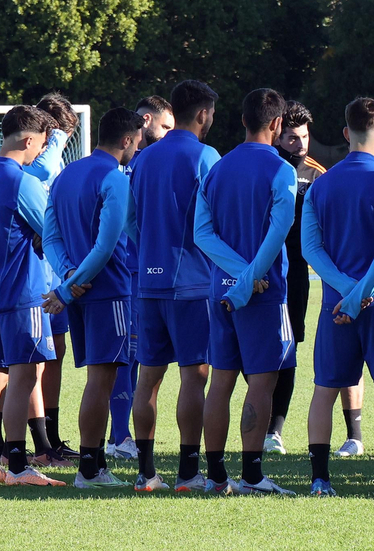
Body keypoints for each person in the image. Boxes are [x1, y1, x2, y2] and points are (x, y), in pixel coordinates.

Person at [302, 97, 374, 498]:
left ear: (345, 133)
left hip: (335, 304)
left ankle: (320, 481)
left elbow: (310, 250)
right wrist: (361, 294)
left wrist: (345, 292)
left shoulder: (321, 183)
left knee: (324, 389)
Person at [192, 89, 300, 495]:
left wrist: (237, 274)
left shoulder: (217, 168)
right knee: (262, 382)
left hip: (218, 288)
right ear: (276, 124)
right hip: (263, 292)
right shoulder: (282, 170)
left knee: (221, 380)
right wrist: (251, 276)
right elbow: (278, 233)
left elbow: (202, 234)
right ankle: (252, 476)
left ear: (242, 120)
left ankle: (217, 477)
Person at [41, 107, 144, 489]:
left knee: (96, 381)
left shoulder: (66, 174)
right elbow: (106, 246)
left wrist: (68, 274)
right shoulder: (114, 179)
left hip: (81, 291)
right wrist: (70, 286)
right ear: (128, 140)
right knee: (102, 382)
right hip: (109, 292)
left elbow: (50, 237)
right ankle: (90, 469)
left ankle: (93, 464)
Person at [129, 79, 222, 491]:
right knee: (193, 376)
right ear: (203, 114)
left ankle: (146, 472)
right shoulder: (206, 156)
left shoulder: (144, 158)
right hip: (193, 284)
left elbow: (130, 220)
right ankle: (188, 472)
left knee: (147, 377)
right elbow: (216, 222)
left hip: (148, 283)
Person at [0, 105, 64, 487]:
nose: (41, 152)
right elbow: (52, 231)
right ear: (28, 140)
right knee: (26, 376)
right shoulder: (20, 180)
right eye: (42, 145)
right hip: (24, 291)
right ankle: (19, 466)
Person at [106, 95, 174, 464]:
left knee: (138, 357)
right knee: (127, 358)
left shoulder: (147, 163)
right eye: (165, 127)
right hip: (127, 273)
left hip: (142, 273)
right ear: (145, 121)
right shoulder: (125, 165)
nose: (167, 135)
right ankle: (119, 436)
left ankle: (122, 434)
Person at [267, 101, 327, 454]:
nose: (300, 144)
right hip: (256, 272)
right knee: (254, 350)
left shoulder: (317, 174)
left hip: (296, 278)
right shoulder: (265, 167)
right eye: (292, 137)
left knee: (288, 349)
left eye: (304, 136)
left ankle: (275, 429)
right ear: (277, 134)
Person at [26, 92, 80, 464]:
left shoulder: (55, 164)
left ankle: (51, 438)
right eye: (58, 133)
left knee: (55, 354)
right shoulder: (29, 166)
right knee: (27, 358)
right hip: (31, 275)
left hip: (55, 269)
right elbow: (43, 172)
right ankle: (20, 442)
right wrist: (55, 135)